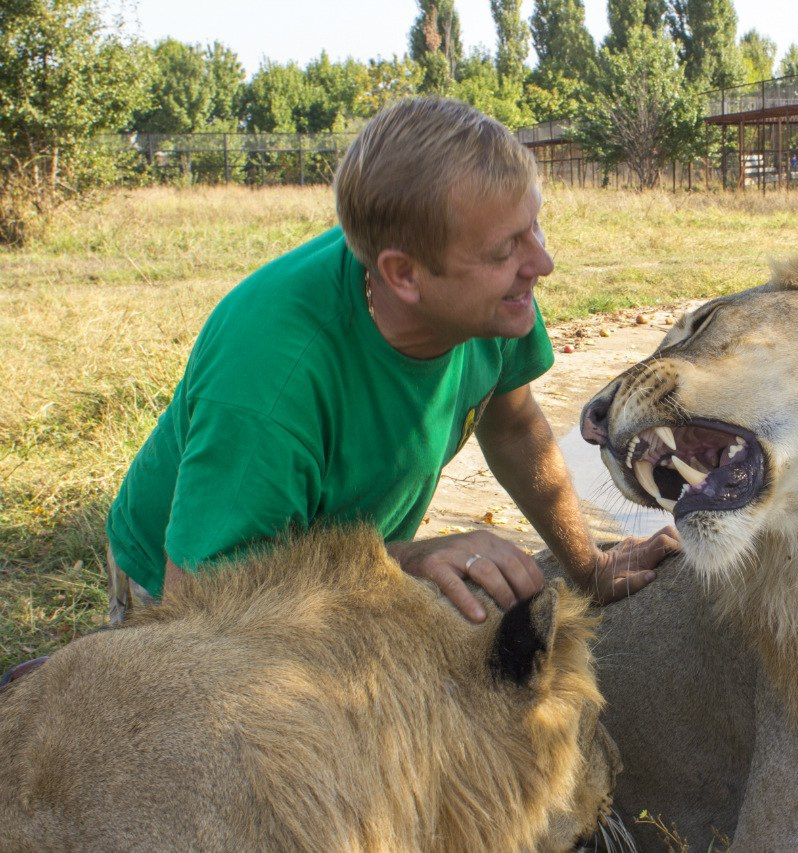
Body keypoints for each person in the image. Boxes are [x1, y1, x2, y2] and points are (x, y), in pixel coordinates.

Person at [101, 95, 678, 626]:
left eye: (535, 227)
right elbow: (201, 598)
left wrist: (589, 566)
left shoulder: (490, 299)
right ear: (404, 274)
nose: (542, 262)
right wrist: (399, 561)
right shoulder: (271, 380)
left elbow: (514, 429)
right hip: (191, 596)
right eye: (507, 248)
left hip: (329, 561)